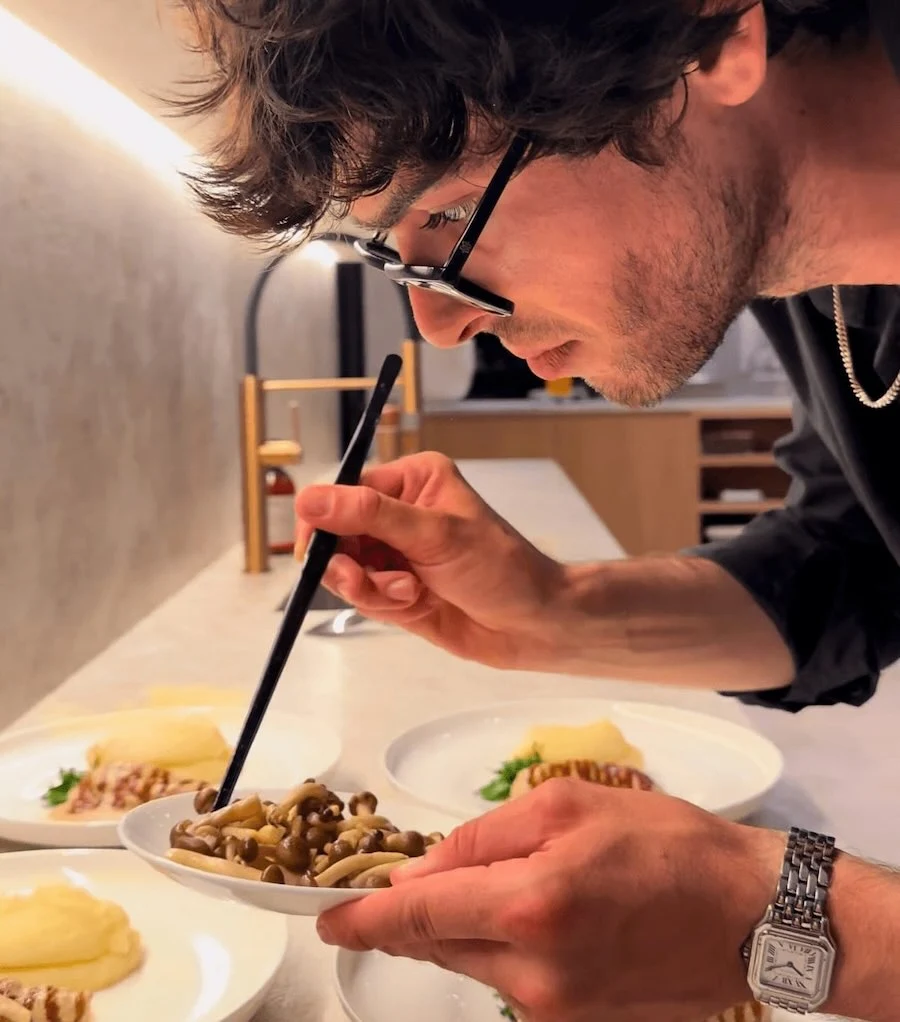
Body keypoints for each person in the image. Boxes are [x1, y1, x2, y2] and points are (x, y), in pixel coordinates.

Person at [174, 2, 900, 1018]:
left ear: (708, 34)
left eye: (450, 216)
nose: (436, 322)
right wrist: (554, 610)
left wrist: (777, 914)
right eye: (392, 251)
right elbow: (851, 564)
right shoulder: (820, 281)